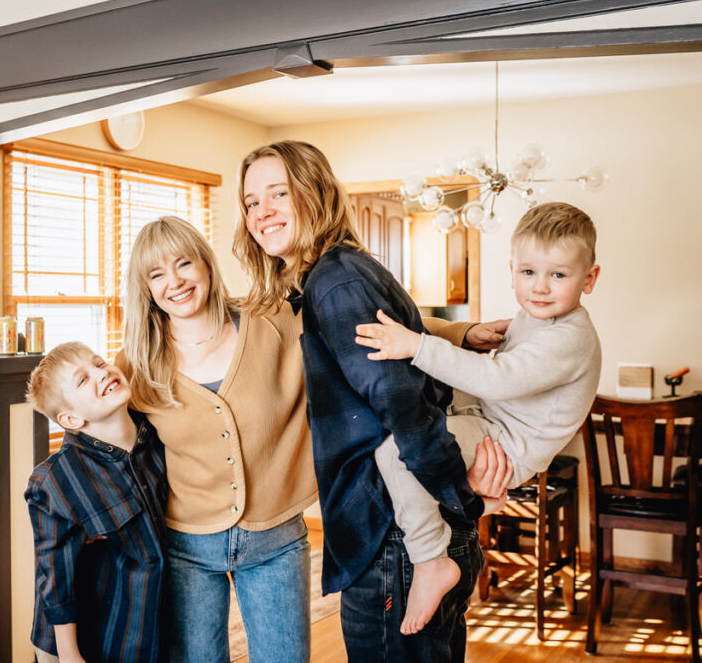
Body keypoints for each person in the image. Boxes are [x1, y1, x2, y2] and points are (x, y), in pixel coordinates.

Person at [116, 215, 504, 662]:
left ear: (205, 265)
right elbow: (101, 436)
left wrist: (461, 332)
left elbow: (373, 325)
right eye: (156, 274)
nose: (175, 282)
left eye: (183, 264)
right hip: (186, 545)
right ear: (145, 288)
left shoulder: (271, 320)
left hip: (276, 543)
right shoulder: (136, 362)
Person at [233, 140, 512, 661]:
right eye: (251, 201)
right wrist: (459, 330)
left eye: (278, 193)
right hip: (405, 531)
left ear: (314, 194)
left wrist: (462, 496)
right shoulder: (333, 275)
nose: (261, 211)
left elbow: (401, 406)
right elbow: (393, 341)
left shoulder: (335, 282)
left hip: (395, 536)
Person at [354, 201, 601, 634]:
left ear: (590, 279)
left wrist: (415, 345)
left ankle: (431, 559)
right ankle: (475, 500)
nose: (540, 287)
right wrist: (470, 335)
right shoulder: (533, 318)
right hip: (490, 418)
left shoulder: (570, 337)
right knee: (436, 386)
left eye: (558, 275)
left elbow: (499, 380)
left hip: (505, 441)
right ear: (512, 270)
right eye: (528, 273)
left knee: (397, 454)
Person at [24, 342, 168, 663]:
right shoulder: (57, 482)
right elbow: (56, 577)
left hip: (150, 624)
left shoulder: (160, 437)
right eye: (82, 379)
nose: (101, 374)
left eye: (99, 363)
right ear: (71, 419)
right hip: (91, 639)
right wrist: (69, 654)